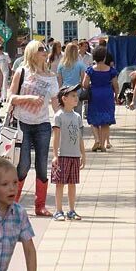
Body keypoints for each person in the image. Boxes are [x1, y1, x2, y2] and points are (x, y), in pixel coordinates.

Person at [8, 40, 59, 217]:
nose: (45, 52)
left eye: (46, 49)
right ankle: (12, 204)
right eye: (40, 49)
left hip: (43, 124)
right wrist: (28, 98)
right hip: (22, 123)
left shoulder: (51, 76)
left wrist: (64, 120)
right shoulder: (21, 72)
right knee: (23, 166)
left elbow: (54, 102)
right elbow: (11, 97)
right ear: (31, 52)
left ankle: (40, 206)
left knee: (42, 165)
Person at [51, 85, 86, 221]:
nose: (76, 98)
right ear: (64, 99)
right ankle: (58, 210)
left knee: (72, 183)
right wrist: (55, 155)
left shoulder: (77, 116)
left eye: (76, 96)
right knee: (60, 183)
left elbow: (79, 137)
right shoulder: (59, 116)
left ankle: (71, 210)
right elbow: (56, 136)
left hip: (74, 155)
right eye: (73, 96)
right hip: (62, 155)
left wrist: (83, 154)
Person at [83, 46, 119, 152]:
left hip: (94, 94)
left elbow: (84, 84)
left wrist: (91, 85)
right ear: (104, 57)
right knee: (105, 121)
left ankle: (97, 140)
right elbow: (116, 85)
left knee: (94, 119)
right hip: (107, 94)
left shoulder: (90, 70)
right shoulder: (111, 71)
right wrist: (116, 95)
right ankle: (103, 144)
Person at [57, 42, 87, 115]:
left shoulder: (61, 64)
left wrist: (60, 90)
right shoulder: (80, 64)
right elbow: (83, 80)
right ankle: (78, 125)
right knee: (78, 112)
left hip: (65, 89)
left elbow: (59, 80)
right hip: (77, 90)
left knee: (65, 111)